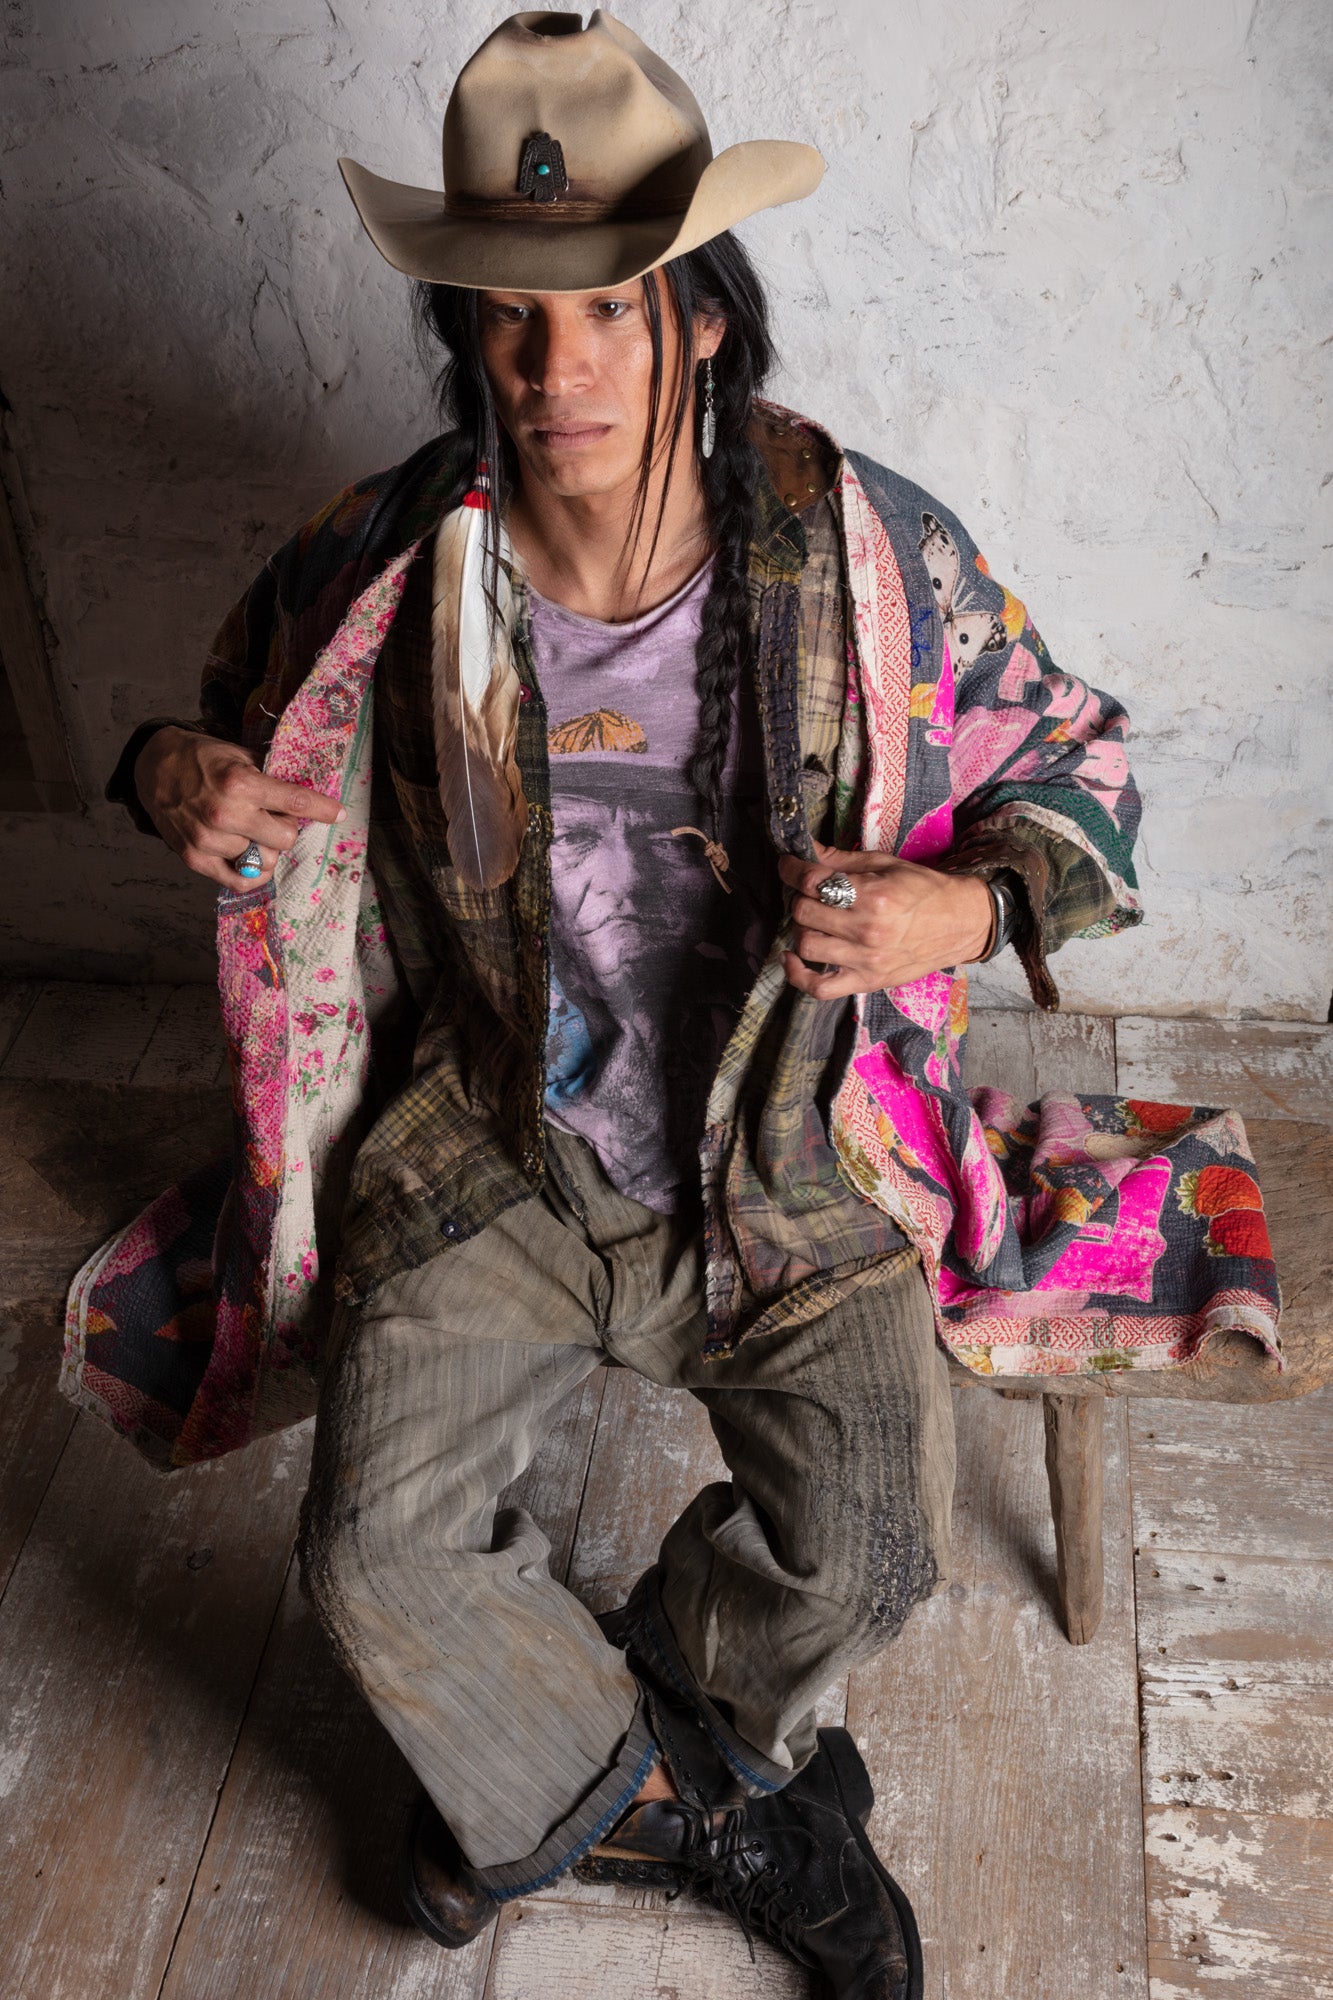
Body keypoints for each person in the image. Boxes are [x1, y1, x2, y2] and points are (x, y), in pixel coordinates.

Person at [91, 12, 1280, 1997]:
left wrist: (966, 902)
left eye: (609, 312)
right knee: (369, 1567)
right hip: (491, 1143)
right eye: (508, 317)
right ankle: (728, 1815)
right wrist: (170, 778)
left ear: (701, 321)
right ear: (465, 330)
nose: (555, 368)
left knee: (871, 1553)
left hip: (792, 1146)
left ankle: (579, 1750)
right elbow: (208, 727)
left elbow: (1080, 759)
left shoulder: (863, 550)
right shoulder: (391, 563)